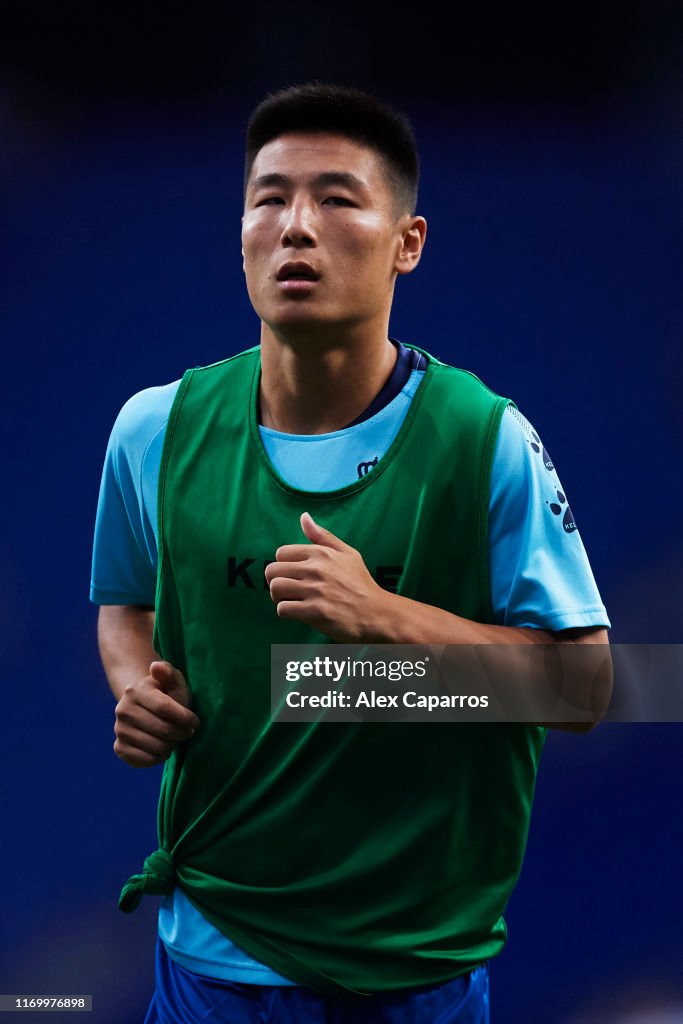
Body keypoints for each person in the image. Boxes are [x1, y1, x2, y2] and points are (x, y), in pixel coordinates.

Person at [91, 83, 611, 1024]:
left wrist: (385, 621)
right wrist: (136, 685)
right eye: (269, 198)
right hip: (209, 959)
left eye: (336, 199)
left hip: (414, 972)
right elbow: (124, 604)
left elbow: (584, 692)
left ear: (406, 242)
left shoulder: (484, 441)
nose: (297, 227)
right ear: (240, 230)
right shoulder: (152, 431)